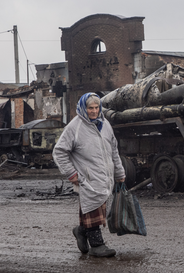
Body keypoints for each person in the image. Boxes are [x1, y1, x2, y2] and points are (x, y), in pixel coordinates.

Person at [53, 92, 126, 257]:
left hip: (104, 175)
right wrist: (71, 174)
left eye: (96, 107)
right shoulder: (74, 127)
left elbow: (114, 150)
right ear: (83, 108)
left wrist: (119, 172)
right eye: (90, 108)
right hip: (87, 177)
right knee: (92, 206)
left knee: (100, 206)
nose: (93, 111)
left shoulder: (105, 124)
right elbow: (59, 152)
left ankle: (81, 231)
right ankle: (97, 244)